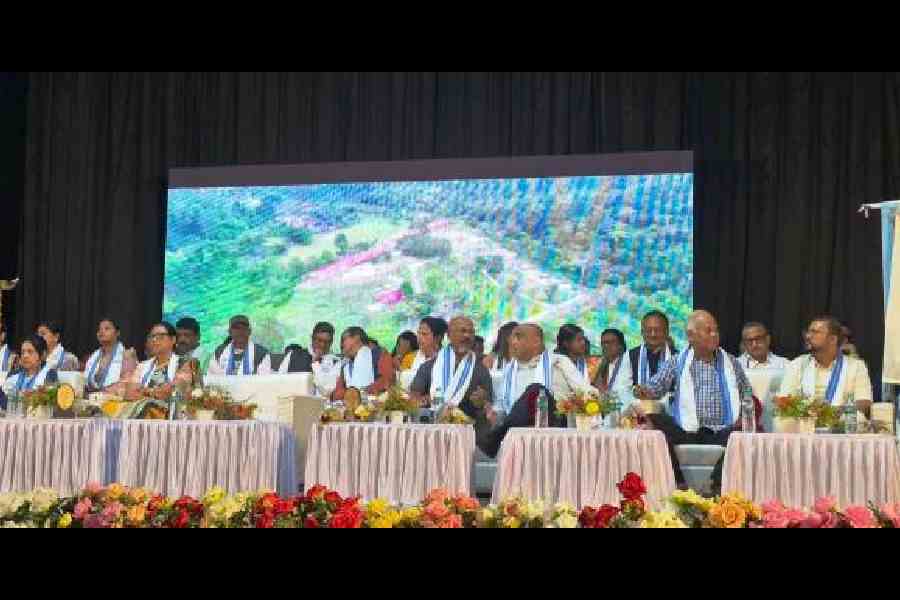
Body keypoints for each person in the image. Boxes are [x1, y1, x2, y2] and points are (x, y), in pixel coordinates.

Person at [633, 310, 754, 495]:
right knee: (654, 419)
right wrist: (644, 390)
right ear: (691, 336)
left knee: (742, 431)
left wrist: (742, 415)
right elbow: (656, 388)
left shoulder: (731, 362)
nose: (715, 335)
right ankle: (677, 481)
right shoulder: (677, 362)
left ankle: (714, 485)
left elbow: (747, 393)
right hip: (686, 431)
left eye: (716, 330)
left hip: (722, 430)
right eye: (708, 330)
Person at [477, 324, 568, 457]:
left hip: (552, 426)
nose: (512, 342)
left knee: (536, 389)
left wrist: (568, 404)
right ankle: (500, 433)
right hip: (518, 431)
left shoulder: (559, 361)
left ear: (536, 341)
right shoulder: (509, 370)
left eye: (518, 337)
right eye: (512, 337)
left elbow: (587, 393)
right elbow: (502, 407)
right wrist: (490, 410)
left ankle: (495, 439)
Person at [778, 316, 873, 414]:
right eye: (809, 332)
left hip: (842, 427)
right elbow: (784, 400)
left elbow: (864, 403)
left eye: (815, 332)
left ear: (832, 339)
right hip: (804, 425)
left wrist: (828, 414)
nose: (808, 336)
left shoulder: (856, 366)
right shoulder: (797, 364)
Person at [409, 316, 493, 419]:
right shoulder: (428, 366)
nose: (467, 336)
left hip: (466, 427)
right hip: (432, 425)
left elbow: (488, 405)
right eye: (462, 331)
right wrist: (423, 400)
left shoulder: (480, 370)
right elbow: (413, 397)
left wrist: (482, 402)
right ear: (449, 335)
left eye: (471, 332)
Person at [124, 322, 193, 404]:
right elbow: (130, 392)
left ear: (173, 340)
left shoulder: (183, 363)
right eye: (152, 336)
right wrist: (152, 392)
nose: (154, 340)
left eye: (160, 336)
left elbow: (171, 390)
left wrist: (144, 391)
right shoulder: (143, 366)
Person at [332, 327, 396, 400]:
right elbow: (339, 390)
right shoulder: (347, 364)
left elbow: (386, 380)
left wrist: (363, 392)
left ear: (357, 338)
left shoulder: (380, 354)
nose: (343, 348)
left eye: (344, 340)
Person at [83, 318, 138, 393]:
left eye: (107, 328)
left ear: (117, 332)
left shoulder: (127, 355)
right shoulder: (94, 356)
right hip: (91, 398)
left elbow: (126, 383)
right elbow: (85, 380)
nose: (101, 332)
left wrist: (102, 393)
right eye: (99, 329)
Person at [1, 334, 59, 405]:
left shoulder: (49, 375)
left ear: (43, 355)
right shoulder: (13, 374)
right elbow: (3, 400)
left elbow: (48, 402)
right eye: (22, 352)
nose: (25, 356)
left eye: (30, 352)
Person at [207, 315, 272, 376]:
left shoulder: (261, 353)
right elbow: (212, 378)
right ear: (230, 332)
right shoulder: (219, 352)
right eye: (236, 328)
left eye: (244, 328)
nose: (240, 332)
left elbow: (264, 380)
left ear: (249, 331)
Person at [628, 311, 675, 387]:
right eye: (649, 330)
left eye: (657, 330)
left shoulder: (678, 358)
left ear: (667, 332)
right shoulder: (629, 357)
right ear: (642, 332)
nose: (653, 334)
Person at [592, 328, 634, 406]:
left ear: (621, 345)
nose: (606, 346)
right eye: (603, 343)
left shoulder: (629, 362)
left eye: (610, 342)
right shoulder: (601, 366)